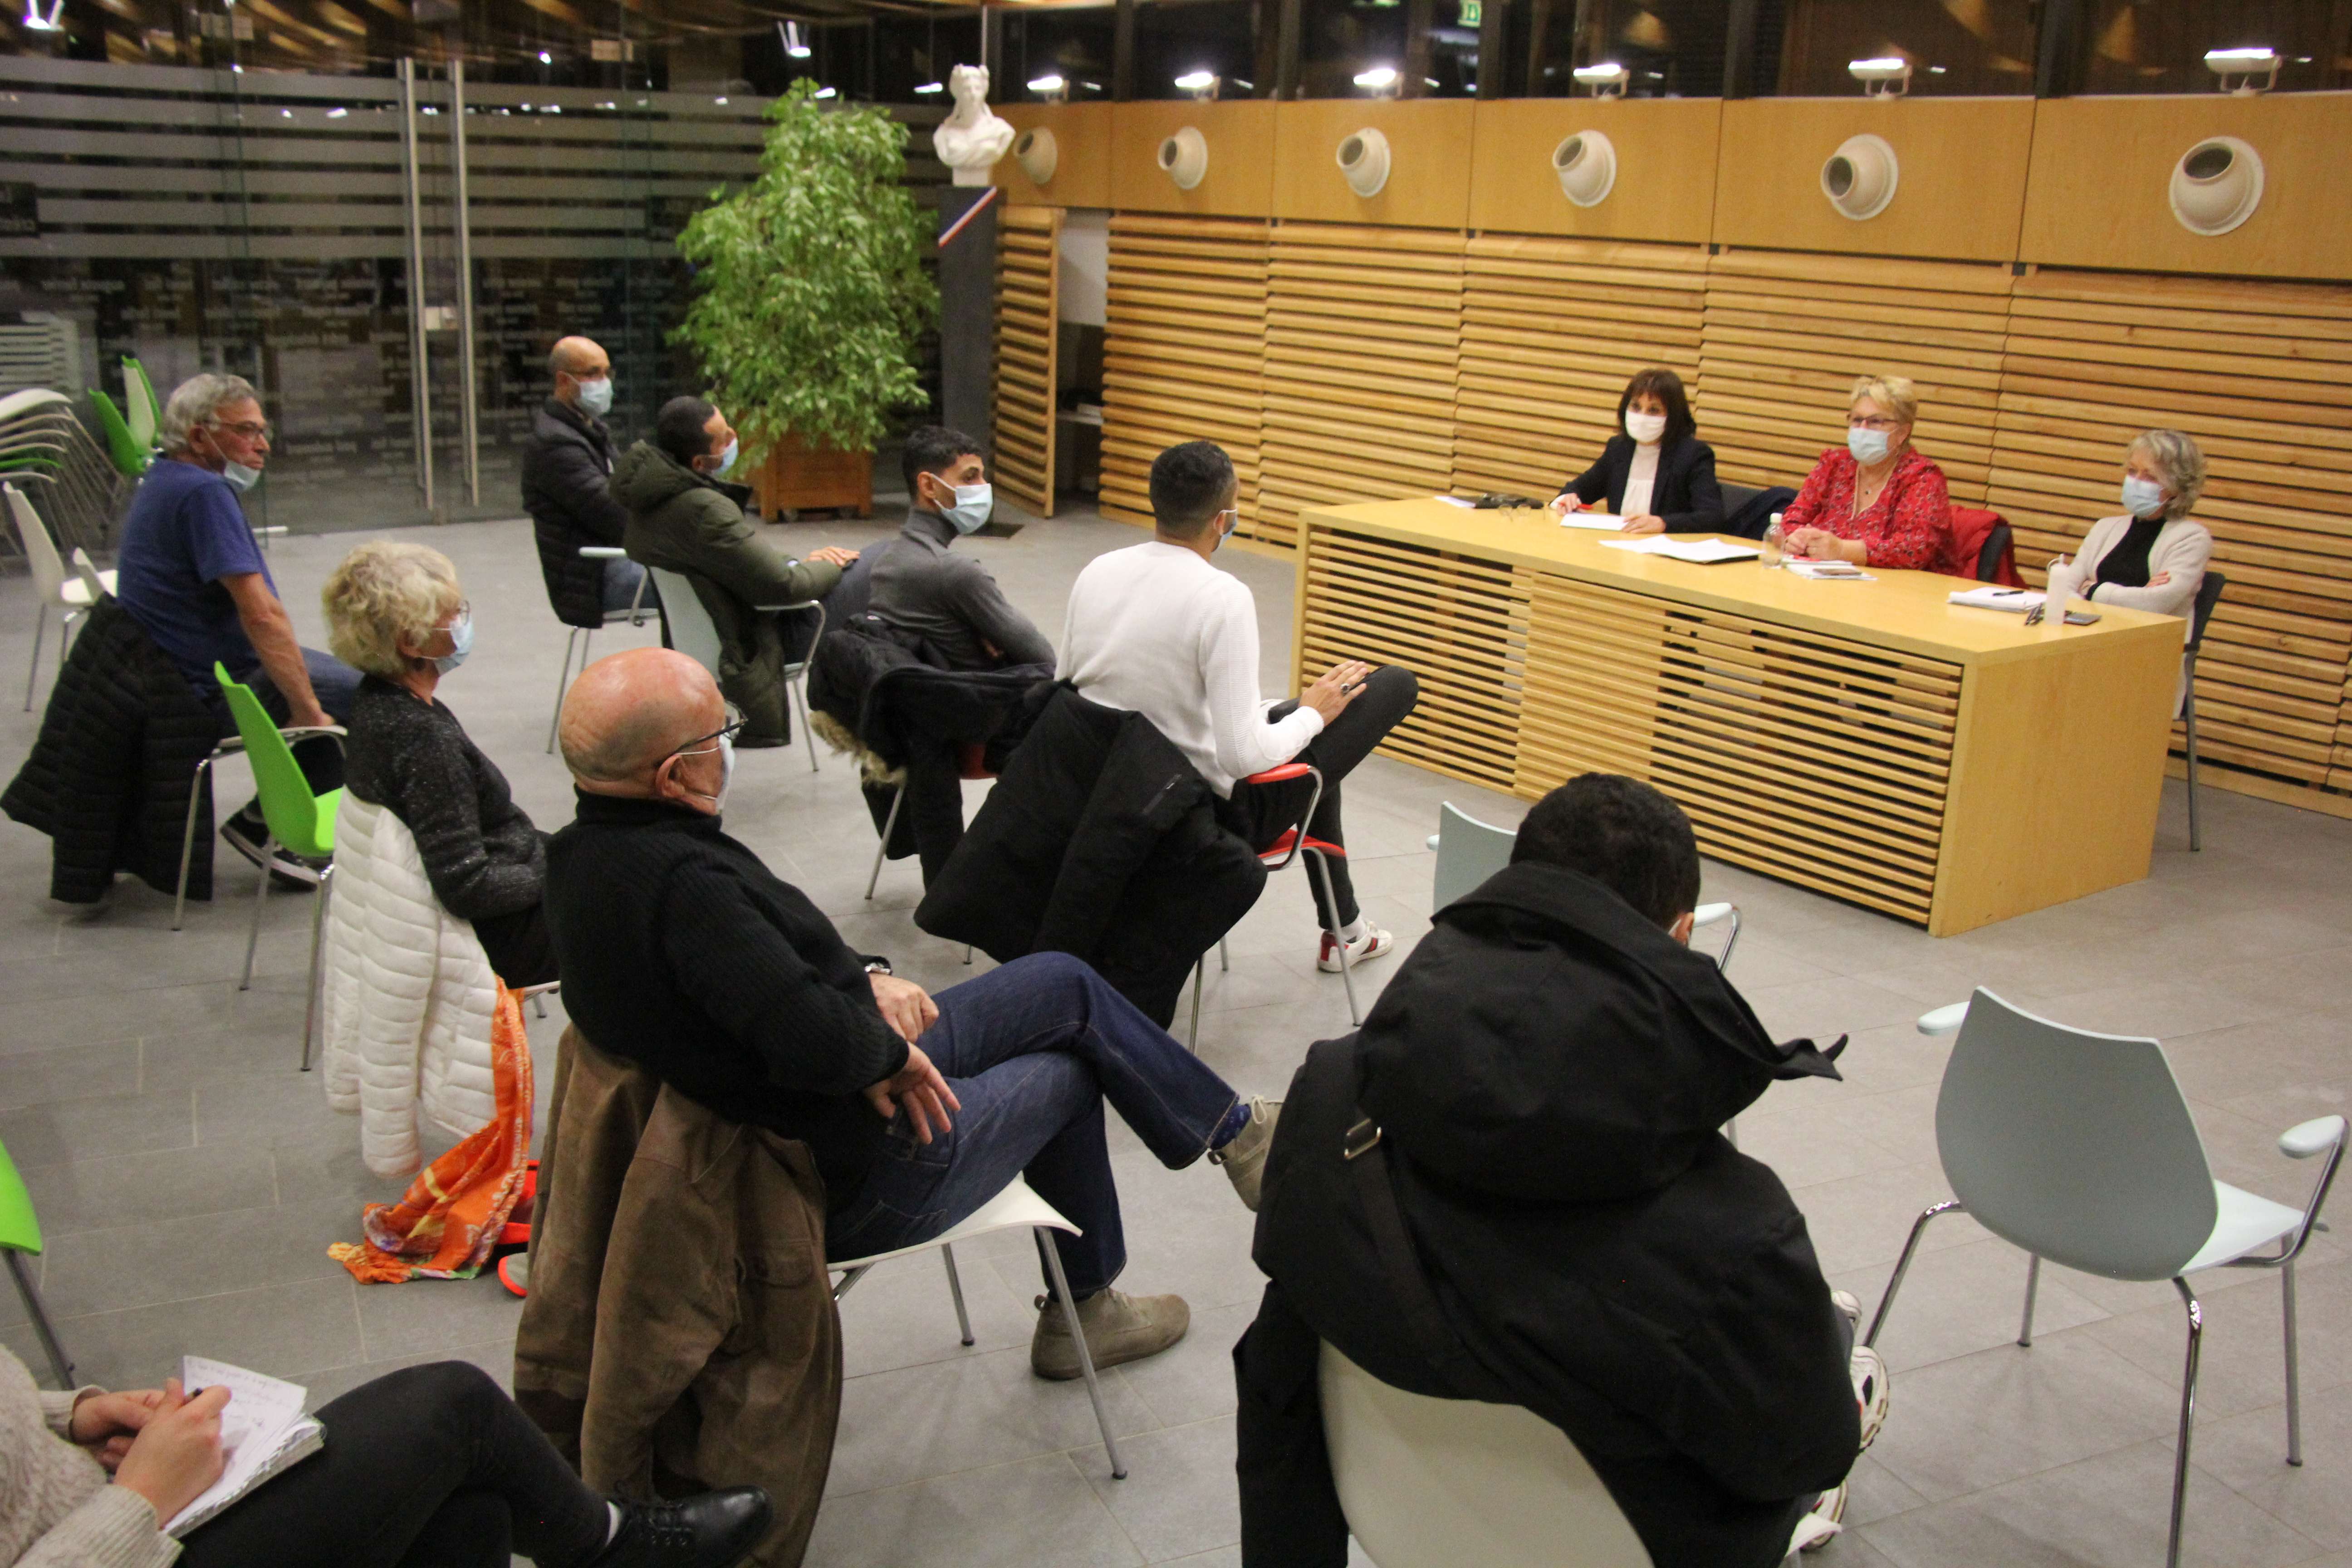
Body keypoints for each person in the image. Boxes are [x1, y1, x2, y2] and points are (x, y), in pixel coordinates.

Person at [545, 647, 1276, 1379]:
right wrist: (881, 1054)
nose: (731, 746)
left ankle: (1233, 1134)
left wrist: (863, 979)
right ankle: (1083, 1308)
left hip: (804, 1110)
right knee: (1075, 1068)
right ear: (673, 775)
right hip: (856, 1169)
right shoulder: (687, 889)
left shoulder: (583, 858)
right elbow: (817, 1042)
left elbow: (760, 975)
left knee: (1061, 981)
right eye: (720, 735)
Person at [1234, 774, 1869, 1568]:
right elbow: (1807, 1453)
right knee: (1834, 1352)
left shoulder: (1331, 1093)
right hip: (1624, 1542)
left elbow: (1280, 1351)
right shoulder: (1736, 1235)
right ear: (1675, 940)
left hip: (1391, 1517)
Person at [1058, 441, 1419, 974]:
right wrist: (1313, 714)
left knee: (1316, 740)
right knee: (1392, 686)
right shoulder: (1222, 597)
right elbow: (1241, 756)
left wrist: (1296, 716)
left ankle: (1346, 930)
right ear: (1222, 519)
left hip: (1103, 788)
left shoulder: (1099, 569)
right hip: (1200, 812)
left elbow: (1064, 687)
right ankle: (1345, 931)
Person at [0, 1345, 769, 1568]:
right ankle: (610, 1547)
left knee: (470, 1516)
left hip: (105, 1507)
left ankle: (604, 1542)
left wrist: (68, 1415)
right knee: (453, 1410)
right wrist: (139, 1501)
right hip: (118, 1538)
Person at [113, 372, 361, 883]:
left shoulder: (165, 477)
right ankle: (273, 830)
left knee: (332, 677)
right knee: (376, 695)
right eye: (247, 431)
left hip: (170, 675)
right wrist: (307, 710)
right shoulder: (204, 493)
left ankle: (274, 820)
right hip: (209, 688)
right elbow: (262, 615)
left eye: (262, 431)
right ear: (200, 436)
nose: (263, 445)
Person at [322, 540, 557, 986]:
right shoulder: (424, 738)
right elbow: (468, 886)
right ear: (412, 640)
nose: (463, 621)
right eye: (454, 613)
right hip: (499, 934)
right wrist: (557, 871)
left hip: (505, 865)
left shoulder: (377, 700)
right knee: (646, 904)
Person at [615, 397, 857, 748]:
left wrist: (803, 563)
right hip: (750, 645)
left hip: (702, 638)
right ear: (700, 462)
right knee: (871, 571)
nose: (734, 439)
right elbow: (784, 587)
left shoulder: (649, 500)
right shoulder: (702, 509)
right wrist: (829, 565)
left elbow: (743, 560)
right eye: (724, 437)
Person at [865, 425, 1054, 671]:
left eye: (982, 476)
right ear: (929, 486)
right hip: (975, 701)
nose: (983, 487)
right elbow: (1044, 659)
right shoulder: (954, 572)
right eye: (969, 477)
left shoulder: (887, 560)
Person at [522, 335, 647, 625]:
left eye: (607, 373)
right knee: (698, 580)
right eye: (592, 374)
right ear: (564, 381)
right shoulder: (555, 444)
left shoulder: (586, 428)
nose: (604, 382)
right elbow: (618, 517)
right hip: (593, 580)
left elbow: (629, 487)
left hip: (611, 562)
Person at [1778, 373, 1959, 573]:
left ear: (1902, 433)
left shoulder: (1922, 478)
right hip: (1827, 584)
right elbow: (1793, 517)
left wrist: (1843, 550)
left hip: (1903, 593)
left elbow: (1915, 548)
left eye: (1875, 422)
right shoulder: (1835, 464)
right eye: (1857, 420)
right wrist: (1795, 538)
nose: (1863, 429)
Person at [2044, 428, 2214, 628]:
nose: (2136, 482)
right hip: (2089, 633)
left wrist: (2091, 590)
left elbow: (2154, 604)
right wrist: (2136, 593)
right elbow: (2063, 588)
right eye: (2133, 471)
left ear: (2177, 487)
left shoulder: (2192, 539)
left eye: (2150, 476)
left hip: (2150, 645)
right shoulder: (2105, 528)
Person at [1548, 367, 1724, 536]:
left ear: (1673, 416)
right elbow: (1580, 488)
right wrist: (1569, 497)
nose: (1642, 417)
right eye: (1636, 407)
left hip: (1665, 553)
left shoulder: (1692, 455)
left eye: (1654, 410)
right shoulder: (1619, 448)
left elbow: (1712, 517)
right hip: (1619, 547)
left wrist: (1664, 523)